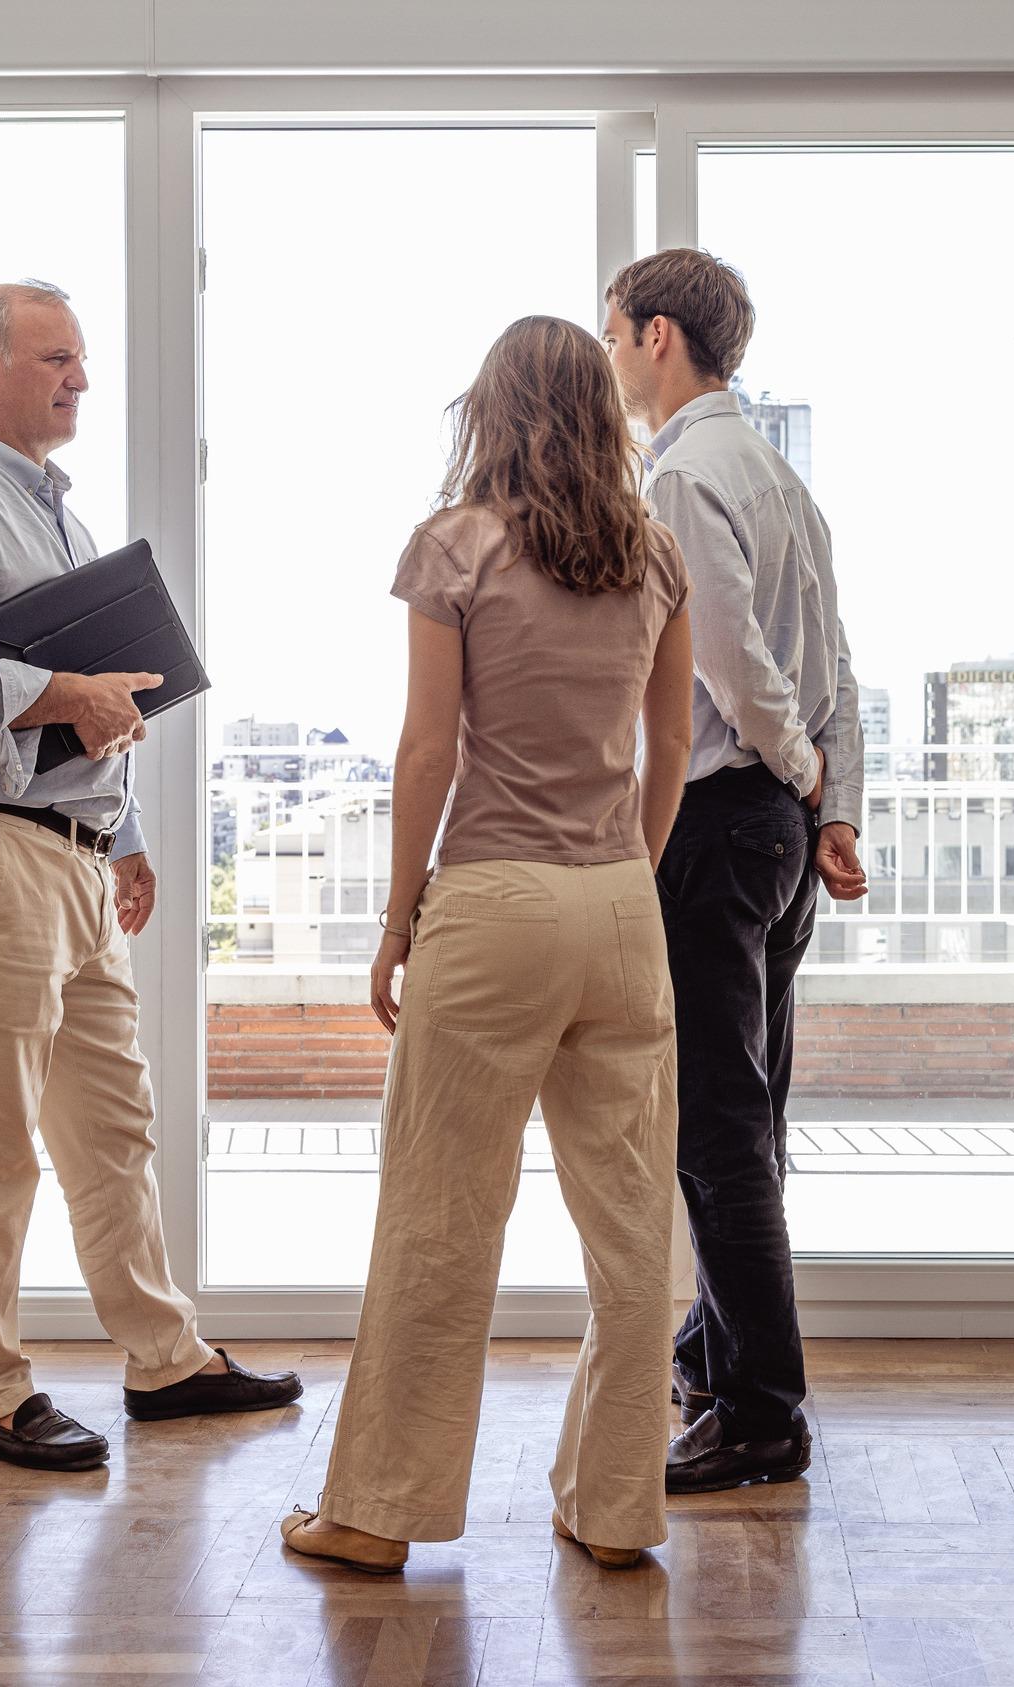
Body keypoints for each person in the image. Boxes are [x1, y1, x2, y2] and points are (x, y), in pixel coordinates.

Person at [277, 316, 697, 1575]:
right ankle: (614, 1508)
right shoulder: (654, 553)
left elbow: (428, 750)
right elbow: (672, 744)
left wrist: (397, 916)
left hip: (494, 905)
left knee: (441, 1213)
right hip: (619, 905)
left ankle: (377, 1512)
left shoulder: (455, 544)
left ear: (492, 409)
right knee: (633, 1227)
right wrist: (628, 871)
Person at [0, 280, 300, 1471]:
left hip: (67, 858)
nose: (81, 379)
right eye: (56, 358)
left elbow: (93, 707)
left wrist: (125, 834)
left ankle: (164, 1359)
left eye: (81, 360)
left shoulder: (53, 518)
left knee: (113, 1125)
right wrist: (66, 693)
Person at [602, 249, 870, 1494]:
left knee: (713, 1121)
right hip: (777, 830)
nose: (611, 358)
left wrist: (796, 768)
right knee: (748, 1116)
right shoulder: (779, 476)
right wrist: (830, 804)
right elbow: (841, 670)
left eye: (614, 334)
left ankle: (762, 1412)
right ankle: (718, 1352)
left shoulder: (682, 473)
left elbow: (724, 657)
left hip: (720, 821)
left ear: (658, 336)